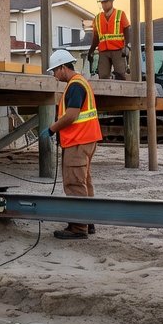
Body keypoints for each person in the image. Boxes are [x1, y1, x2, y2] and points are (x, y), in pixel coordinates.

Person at [42, 49, 101, 239]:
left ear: (62, 68)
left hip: (78, 141)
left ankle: (79, 227)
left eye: (54, 71)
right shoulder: (78, 83)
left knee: (74, 183)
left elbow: (72, 115)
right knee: (84, 182)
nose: (54, 75)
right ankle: (88, 221)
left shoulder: (75, 85)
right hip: (85, 139)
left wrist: (52, 129)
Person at [86, 0, 130, 80]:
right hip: (103, 51)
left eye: (106, 1)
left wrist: (127, 46)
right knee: (103, 76)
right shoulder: (97, 18)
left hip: (118, 50)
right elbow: (96, 38)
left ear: (111, 2)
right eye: (102, 2)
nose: (104, 4)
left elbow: (127, 30)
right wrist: (91, 51)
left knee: (120, 75)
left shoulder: (120, 14)